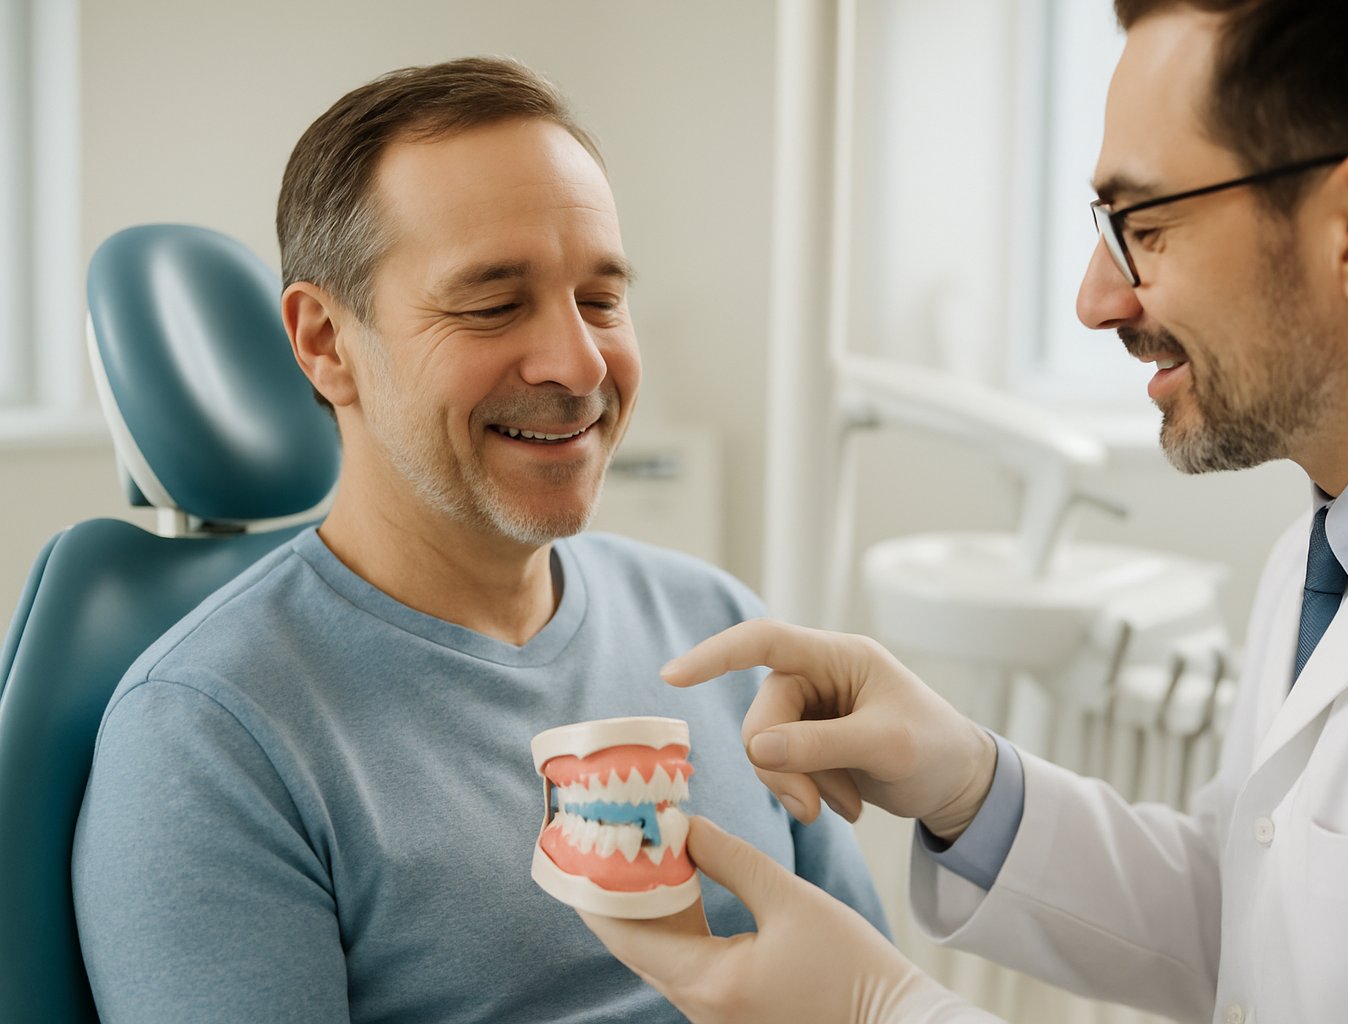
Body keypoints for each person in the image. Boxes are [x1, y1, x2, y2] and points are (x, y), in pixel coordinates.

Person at [579, 1, 1348, 1022]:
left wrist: (877, 1008)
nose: (1097, 298)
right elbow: (1254, 915)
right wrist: (969, 784)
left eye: (1146, 227)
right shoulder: (1344, 536)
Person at [70, 57, 885, 1024]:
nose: (580, 363)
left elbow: (876, 999)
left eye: (601, 298)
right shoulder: (208, 739)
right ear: (326, 343)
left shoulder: (720, 632)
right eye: (495, 305)